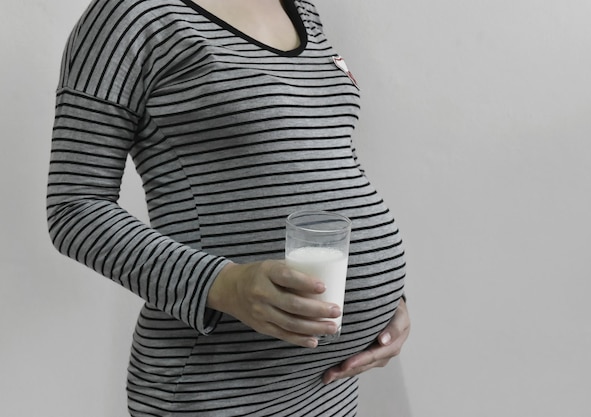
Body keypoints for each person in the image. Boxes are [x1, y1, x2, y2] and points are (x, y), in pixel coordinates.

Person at [46, 0, 410, 415]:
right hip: (221, 384)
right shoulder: (129, 15)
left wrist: (387, 299)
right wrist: (226, 283)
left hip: (328, 385)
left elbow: (319, 157)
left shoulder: (300, 8)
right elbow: (74, 208)